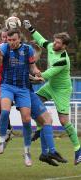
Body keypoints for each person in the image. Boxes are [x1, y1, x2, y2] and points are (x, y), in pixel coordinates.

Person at [23, 20, 81, 165]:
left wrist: (29, 77)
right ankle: (40, 128)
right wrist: (30, 28)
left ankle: (78, 150)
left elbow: (46, 75)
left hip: (62, 90)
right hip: (51, 86)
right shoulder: (50, 46)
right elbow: (40, 39)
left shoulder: (63, 60)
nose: (54, 44)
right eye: (54, 41)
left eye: (57, 43)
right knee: (32, 102)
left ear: (64, 46)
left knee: (63, 121)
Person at [0, 28, 41, 166]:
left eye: (14, 40)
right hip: (7, 85)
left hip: (23, 88)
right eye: (9, 40)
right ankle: (2, 141)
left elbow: (32, 67)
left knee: (26, 118)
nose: (11, 42)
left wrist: (37, 73)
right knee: (5, 110)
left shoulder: (28, 50)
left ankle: (26, 152)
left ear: (19, 39)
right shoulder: (3, 48)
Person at [0, 28, 13, 143]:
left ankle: (5, 131)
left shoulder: (13, 49)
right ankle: (8, 129)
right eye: (3, 37)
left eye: (7, 37)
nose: (5, 39)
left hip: (7, 80)